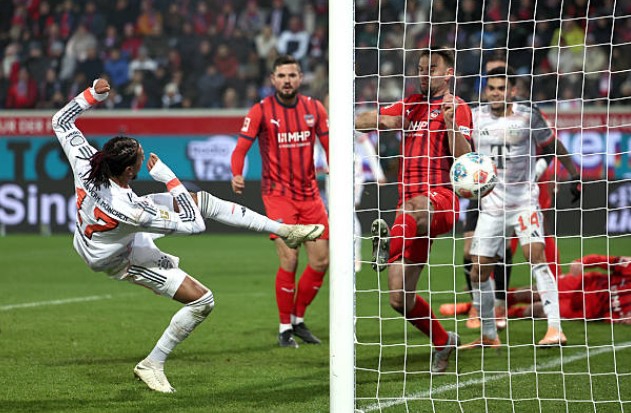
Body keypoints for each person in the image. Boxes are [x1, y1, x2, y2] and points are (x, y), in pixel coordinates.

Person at [52, 78, 324, 393]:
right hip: (117, 258)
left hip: (102, 235)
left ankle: (286, 230)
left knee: (201, 200)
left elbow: (60, 121)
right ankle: (152, 364)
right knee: (203, 301)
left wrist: (91, 95)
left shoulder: (86, 161)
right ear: (129, 171)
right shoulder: (133, 210)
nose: (143, 156)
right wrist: (168, 177)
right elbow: (194, 225)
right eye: (140, 156)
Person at [355, 47, 473, 373]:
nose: (424, 73)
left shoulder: (457, 107)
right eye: (420, 68)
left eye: (431, 68)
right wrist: (382, 120)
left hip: (440, 199)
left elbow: (465, 160)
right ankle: (443, 341)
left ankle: (385, 247)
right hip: (408, 214)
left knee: (413, 206)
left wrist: (450, 124)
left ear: (448, 73)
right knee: (399, 298)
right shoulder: (409, 104)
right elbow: (363, 121)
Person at [460, 66, 581, 350]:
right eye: (491, 88)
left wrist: (574, 174)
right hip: (491, 205)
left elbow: (552, 145)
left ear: (512, 91)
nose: (496, 93)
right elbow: (461, 151)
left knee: (536, 257)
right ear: (486, 91)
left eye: (502, 88)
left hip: (524, 202)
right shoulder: (475, 117)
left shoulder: (528, 115)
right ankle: (489, 334)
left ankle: (555, 328)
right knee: (478, 270)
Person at [230, 55, 330, 348]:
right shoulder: (260, 110)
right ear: (273, 79)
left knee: (321, 261)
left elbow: (329, 143)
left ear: (301, 78)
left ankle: (298, 320)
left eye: (292, 75)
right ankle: (285, 328)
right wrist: (237, 173)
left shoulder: (314, 108)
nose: (287, 81)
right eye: (282, 76)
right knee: (290, 258)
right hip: (278, 196)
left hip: (310, 195)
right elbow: (240, 148)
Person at [441, 255, 631, 324]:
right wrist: (584, 262)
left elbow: (614, 317)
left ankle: (499, 314)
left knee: (537, 310)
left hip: (586, 310)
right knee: (531, 292)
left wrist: (615, 319)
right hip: (581, 285)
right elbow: (610, 261)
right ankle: (471, 306)